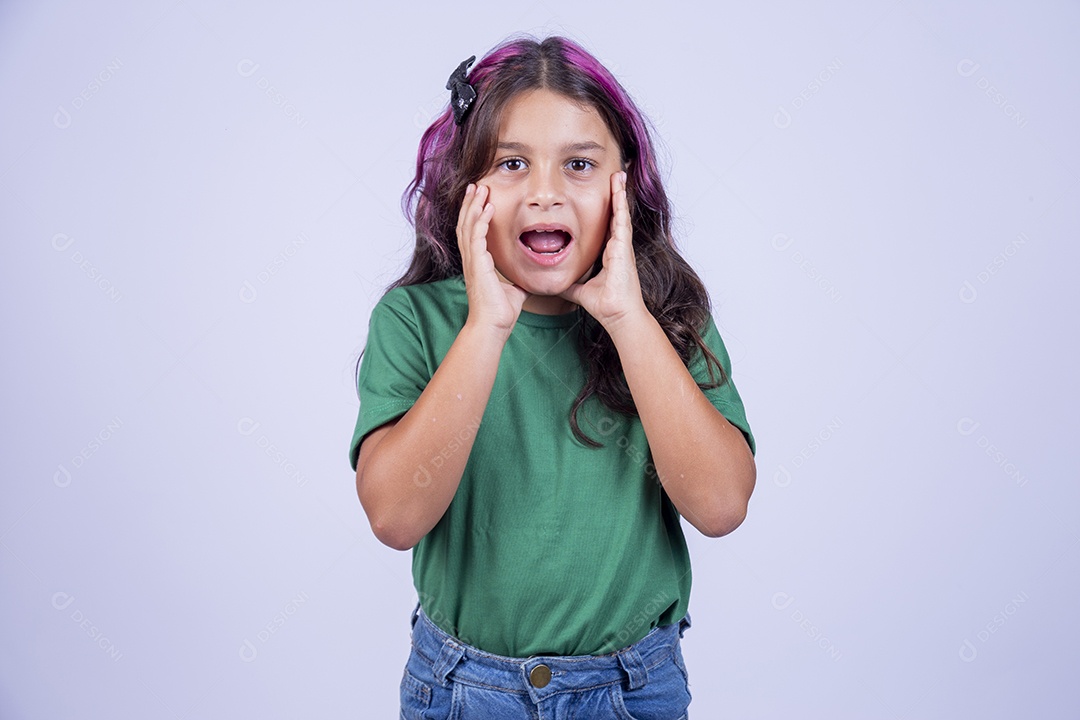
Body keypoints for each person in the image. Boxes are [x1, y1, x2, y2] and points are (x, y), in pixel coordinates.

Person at [349, 34, 756, 719]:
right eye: (512, 163)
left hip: (632, 689)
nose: (545, 193)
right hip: (461, 690)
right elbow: (394, 516)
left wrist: (629, 319)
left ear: (624, 187)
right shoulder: (416, 319)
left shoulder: (667, 316)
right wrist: (486, 328)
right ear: (467, 186)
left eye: (578, 164)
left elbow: (720, 507)